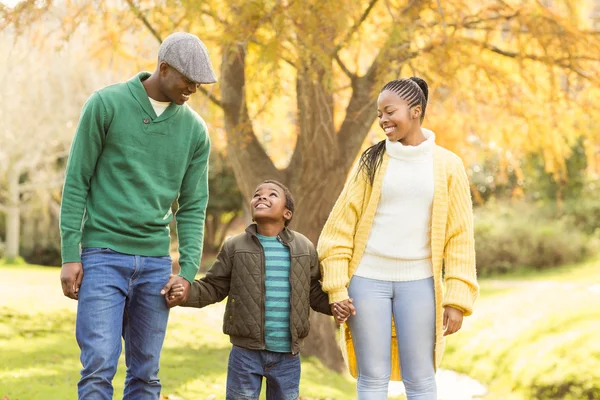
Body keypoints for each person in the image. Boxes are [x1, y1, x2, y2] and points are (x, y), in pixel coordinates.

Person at [59, 32, 217, 399]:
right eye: (188, 80)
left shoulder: (194, 130)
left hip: (155, 265)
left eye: (199, 82)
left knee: (146, 374)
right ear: (163, 69)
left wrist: (188, 271)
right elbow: (76, 181)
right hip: (102, 256)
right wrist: (70, 254)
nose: (194, 88)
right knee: (98, 365)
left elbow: (193, 206)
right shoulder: (106, 104)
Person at [317, 77, 479, 399]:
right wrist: (337, 287)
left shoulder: (448, 165)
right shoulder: (372, 161)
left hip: (420, 282)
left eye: (390, 111)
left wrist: (457, 299)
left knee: (420, 378)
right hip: (366, 279)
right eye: (379, 114)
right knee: (372, 377)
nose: (383, 120)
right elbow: (339, 227)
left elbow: (460, 237)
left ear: (415, 111)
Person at [164, 180, 350, 400]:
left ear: (287, 213)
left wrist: (335, 304)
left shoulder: (304, 247)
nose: (262, 197)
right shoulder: (235, 246)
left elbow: (312, 292)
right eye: (257, 195)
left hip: (288, 356)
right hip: (245, 353)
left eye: (272, 195)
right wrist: (185, 293)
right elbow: (213, 286)